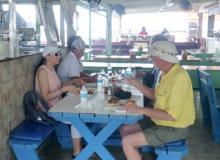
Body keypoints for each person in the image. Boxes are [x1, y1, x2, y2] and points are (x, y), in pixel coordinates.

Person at [122, 41, 195, 160]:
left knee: (127, 142)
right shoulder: (166, 73)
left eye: (153, 57)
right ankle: (135, 156)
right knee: (125, 129)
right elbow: (154, 95)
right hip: (160, 121)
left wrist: (140, 109)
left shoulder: (179, 77)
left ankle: (132, 152)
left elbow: (170, 116)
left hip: (174, 128)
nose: (152, 60)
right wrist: (134, 83)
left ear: (161, 58)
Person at [35, 46, 82, 158]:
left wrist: (72, 82)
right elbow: (45, 97)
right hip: (47, 110)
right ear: (47, 56)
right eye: (56, 54)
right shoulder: (42, 71)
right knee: (77, 119)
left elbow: (59, 86)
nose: (59, 57)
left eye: (59, 54)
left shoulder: (51, 69)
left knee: (79, 112)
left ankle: (80, 149)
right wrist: (64, 89)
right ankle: (78, 153)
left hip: (58, 106)